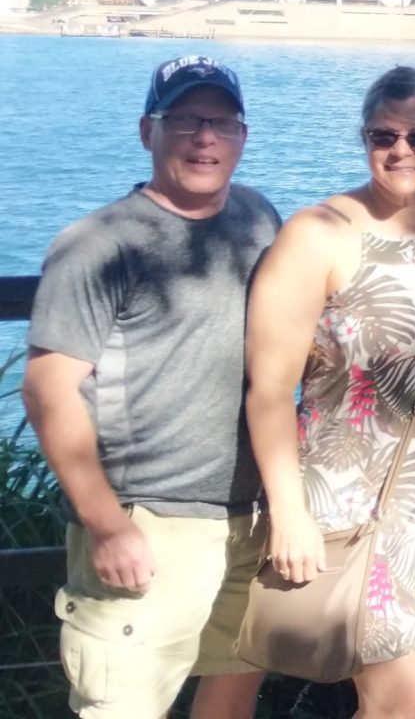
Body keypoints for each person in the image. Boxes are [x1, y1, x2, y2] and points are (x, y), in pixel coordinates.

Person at [244, 66, 415, 719]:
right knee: (397, 701)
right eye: (382, 135)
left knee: (412, 684)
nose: (401, 150)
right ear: (363, 138)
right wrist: (287, 510)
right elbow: (268, 389)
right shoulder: (317, 235)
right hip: (356, 500)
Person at [22, 56, 277, 719]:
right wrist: (106, 525)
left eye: (220, 122)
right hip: (149, 524)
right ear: (147, 131)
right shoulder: (98, 244)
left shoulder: (258, 219)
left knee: (230, 699)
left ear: (242, 136)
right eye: (184, 120)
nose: (203, 138)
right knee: (120, 705)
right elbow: (49, 390)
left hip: (247, 520)